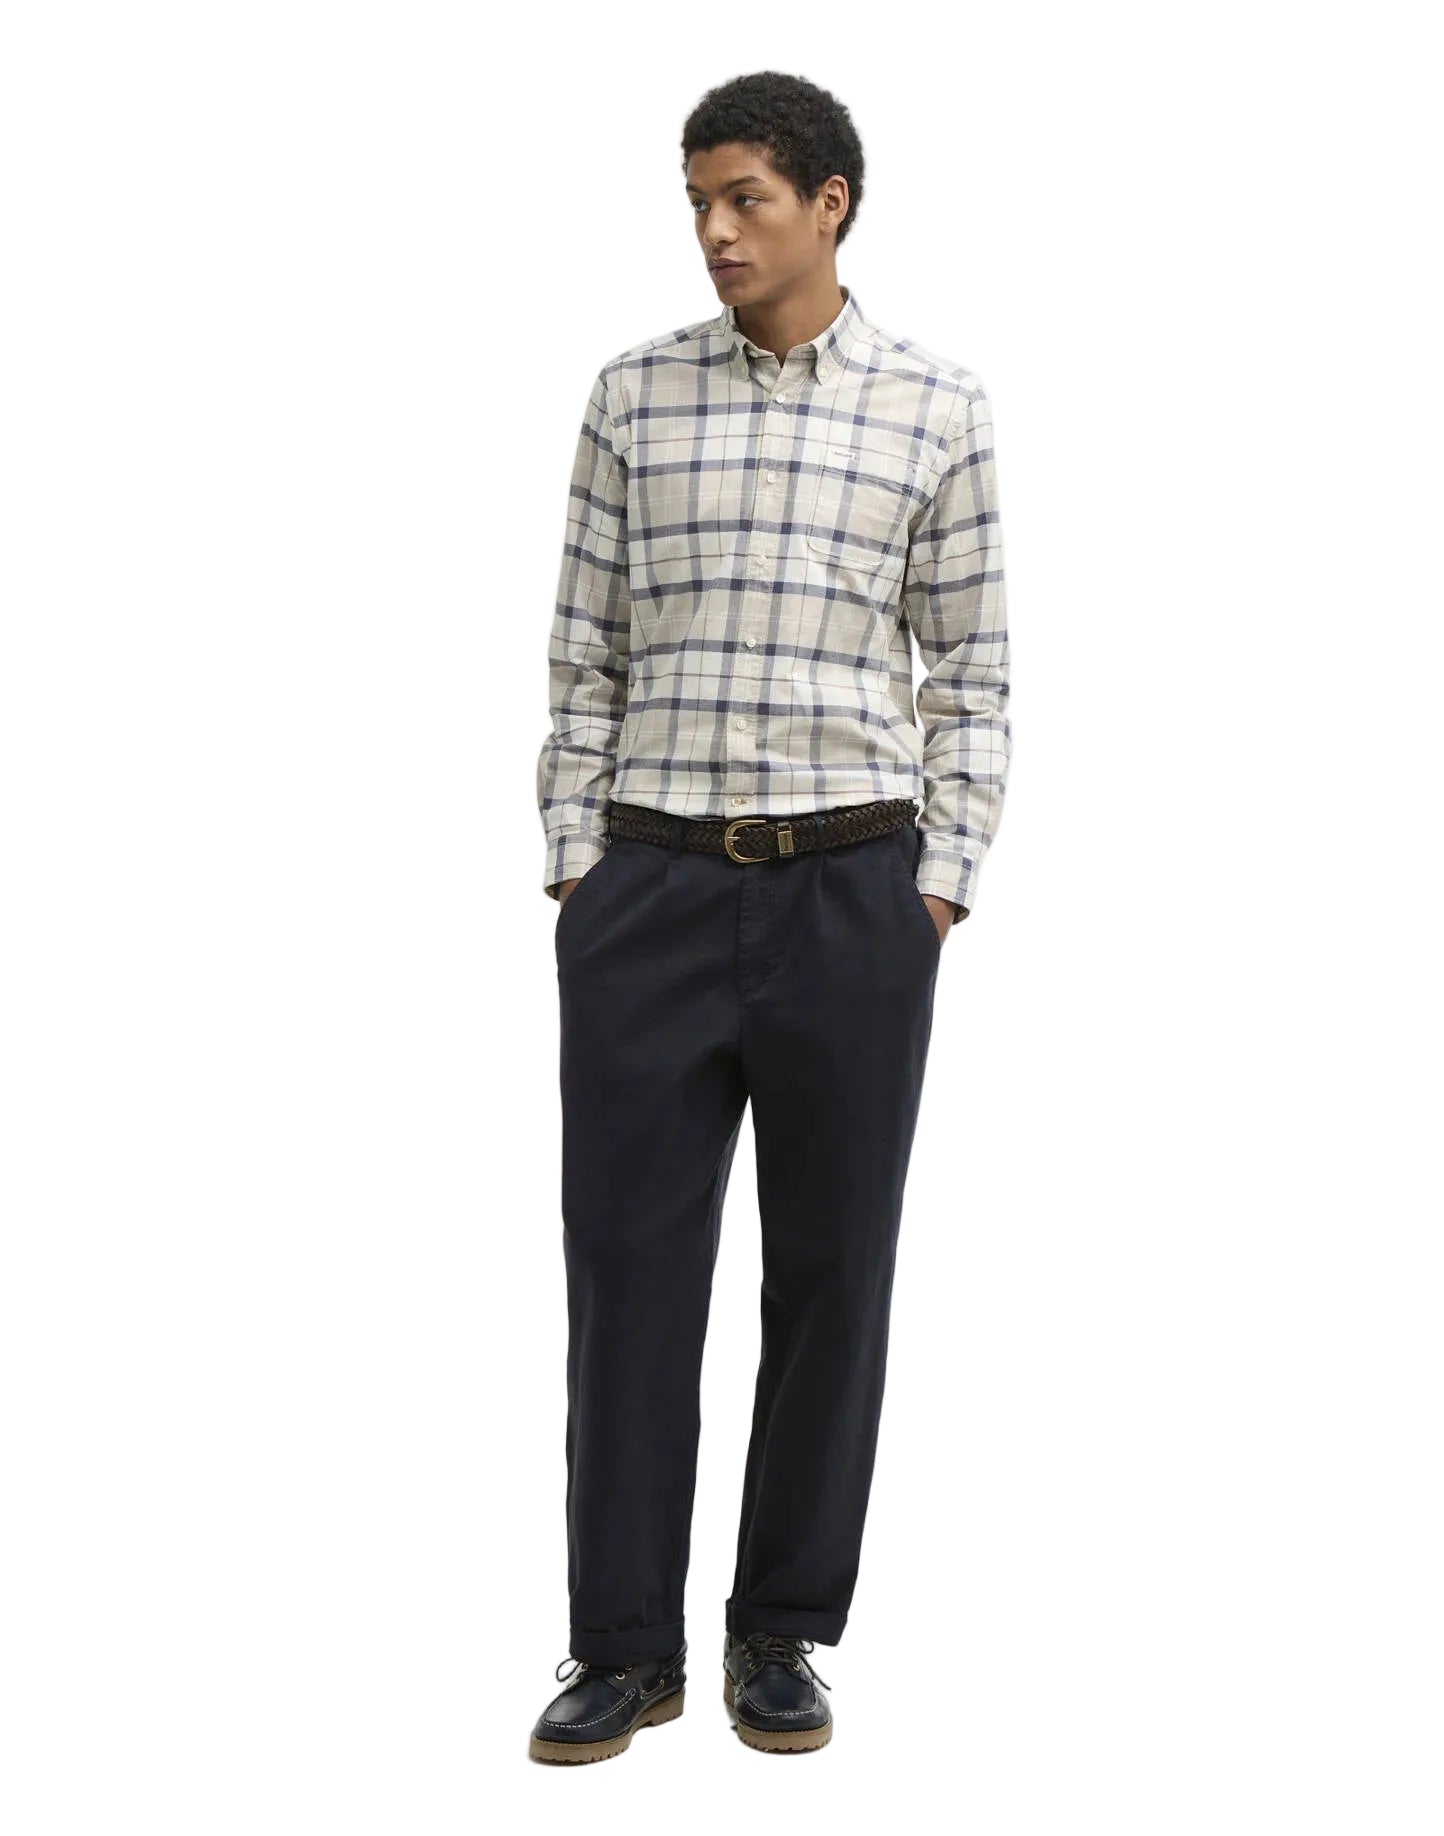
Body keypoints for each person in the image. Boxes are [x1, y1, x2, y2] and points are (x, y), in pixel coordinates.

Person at [529, 69, 1010, 1763]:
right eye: (698, 203)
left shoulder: (935, 406)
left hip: (853, 894)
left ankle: (780, 1632)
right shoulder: (633, 394)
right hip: (649, 890)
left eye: (745, 197)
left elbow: (975, 666)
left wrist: (939, 878)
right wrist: (577, 864)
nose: (717, 231)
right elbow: (582, 651)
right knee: (628, 1275)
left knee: (832, 1273)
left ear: (830, 203)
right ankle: (620, 1646)